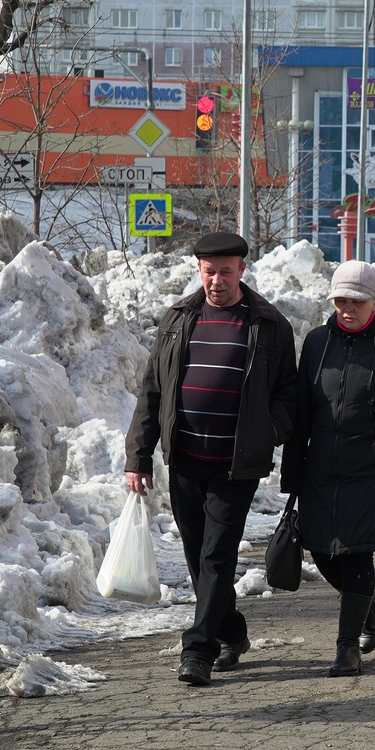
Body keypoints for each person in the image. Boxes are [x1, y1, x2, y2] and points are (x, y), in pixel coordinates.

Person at [124, 231, 298, 687]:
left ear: (242, 269)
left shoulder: (268, 324)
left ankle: (197, 649)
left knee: (217, 557)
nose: (217, 280)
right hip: (184, 457)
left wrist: (269, 432)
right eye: (209, 271)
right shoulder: (179, 317)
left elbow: (289, 394)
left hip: (235, 464)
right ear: (199, 271)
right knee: (198, 557)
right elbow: (152, 390)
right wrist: (137, 456)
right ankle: (232, 632)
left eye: (225, 270)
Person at [280, 261, 375, 677]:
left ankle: (347, 648)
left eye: (357, 301)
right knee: (322, 551)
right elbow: (303, 413)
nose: (348, 308)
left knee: (356, 556)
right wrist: (291, 474)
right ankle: (368, 604)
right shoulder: (316, 343)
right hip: (321, 471)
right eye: (341, 300)